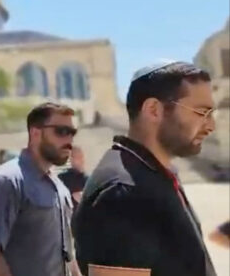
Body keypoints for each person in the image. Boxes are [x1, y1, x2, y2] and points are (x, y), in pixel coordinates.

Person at [73, 61, 217, 276]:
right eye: (201, 112)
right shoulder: (123, 192)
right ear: (153, 110)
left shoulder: (153, 173)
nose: (211, 125)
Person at [0, 102, 81, 276]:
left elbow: (68, 255)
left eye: (72, 133)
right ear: (35, 133)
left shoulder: (60, 188)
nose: (69, 141)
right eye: (61, 132)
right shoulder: (7, 181)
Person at [57, 146, 88, 210]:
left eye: (82, 157)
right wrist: (71, 196)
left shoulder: (87, 179)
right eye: (78, 157)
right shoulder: (62, 178)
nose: (82, 160)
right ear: (71, 159)